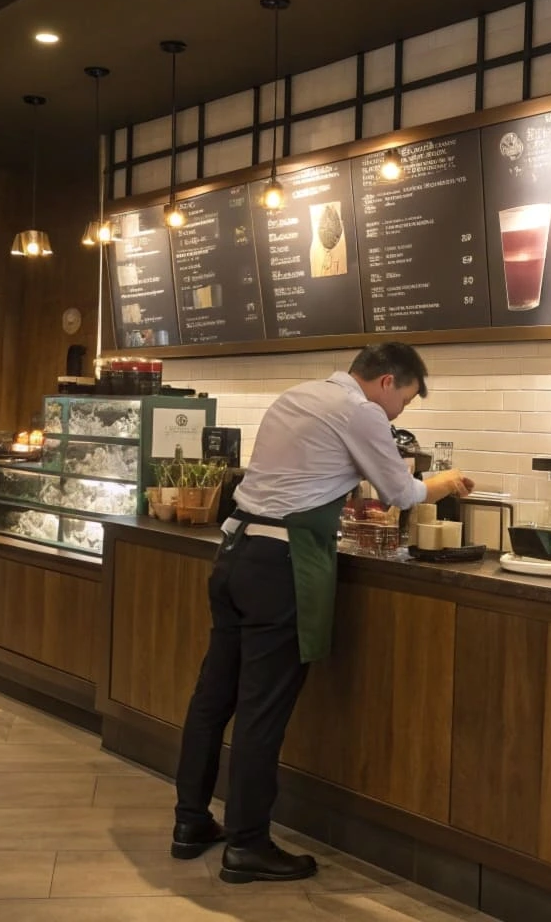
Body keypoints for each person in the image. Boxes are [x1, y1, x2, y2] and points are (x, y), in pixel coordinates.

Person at [171, 342, 474, 883]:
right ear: (385, 382)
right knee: (261, 712)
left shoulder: (299, 395)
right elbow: (399, 493)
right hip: (279, 565)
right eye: (400, 403)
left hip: (237, 552)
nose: (396, 415)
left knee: (212, 699)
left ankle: (191, 822)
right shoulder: (360, 410)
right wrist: (446, 482)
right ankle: (246, 845)